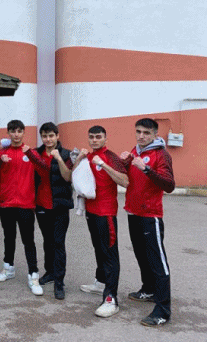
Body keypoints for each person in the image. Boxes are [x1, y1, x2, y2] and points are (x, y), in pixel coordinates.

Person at [120, 118, 175, 327]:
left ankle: (163, 311)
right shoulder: (135, 152)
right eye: (138, 131)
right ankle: (149, 289)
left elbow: (169, 185)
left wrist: (146, 169)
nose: (141, 136)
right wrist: (124, 162)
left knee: (157, 262)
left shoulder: (161, 154)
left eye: (146, 132)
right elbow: (128, 178)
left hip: (150, 215)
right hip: (133, 212)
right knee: (142, 256)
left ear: (155, 134)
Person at [74, 126, 128, 318]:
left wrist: (104, 165)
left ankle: (111, 299)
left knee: (110, 254)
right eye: (92, 137)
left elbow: (125, 181)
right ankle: (101, 282)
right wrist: (79, 159)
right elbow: (74, 176)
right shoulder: (88, 156)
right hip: (91, 211)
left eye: (98, 137)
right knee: (98, 248)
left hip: (106, 213)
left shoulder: (110, 157)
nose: (95, 140)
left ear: (105, 138)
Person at [0, 120, 43, 297]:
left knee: (28, 240)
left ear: (23, 133)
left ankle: (33, 275)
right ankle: (8, 268)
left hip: (26, 204)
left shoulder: (31, 153)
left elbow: (43, 171)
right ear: (9, 133)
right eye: (13, 131)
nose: (16, 134)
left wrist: (32, 156)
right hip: (6, 203)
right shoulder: (2, 153)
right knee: (8, 237)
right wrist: (0, 162)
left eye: (19, 131)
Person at [25, 122, 73, 300]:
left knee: (58, 243)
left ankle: (59, 282)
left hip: (59, 205)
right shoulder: (36, 154)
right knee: (48, 241)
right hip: (41, 204)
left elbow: (68, 177)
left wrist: (58, 158)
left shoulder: (66, 154)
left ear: (57, 136)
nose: (48, 139)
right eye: (45, 136)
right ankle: (50, 272)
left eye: (51, 135)